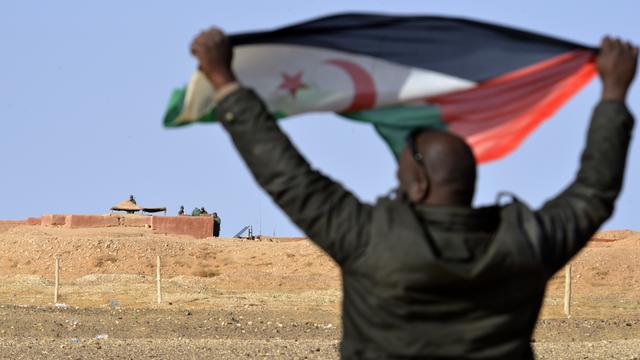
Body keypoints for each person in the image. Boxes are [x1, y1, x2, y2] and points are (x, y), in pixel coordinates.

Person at [191, 29, 637, 359]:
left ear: (419, 183)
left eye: (400, 173)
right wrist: (614, 92)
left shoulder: (370, 239)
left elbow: (286, 175)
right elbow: (595, 191)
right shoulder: (526, 242)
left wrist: (225, 81)